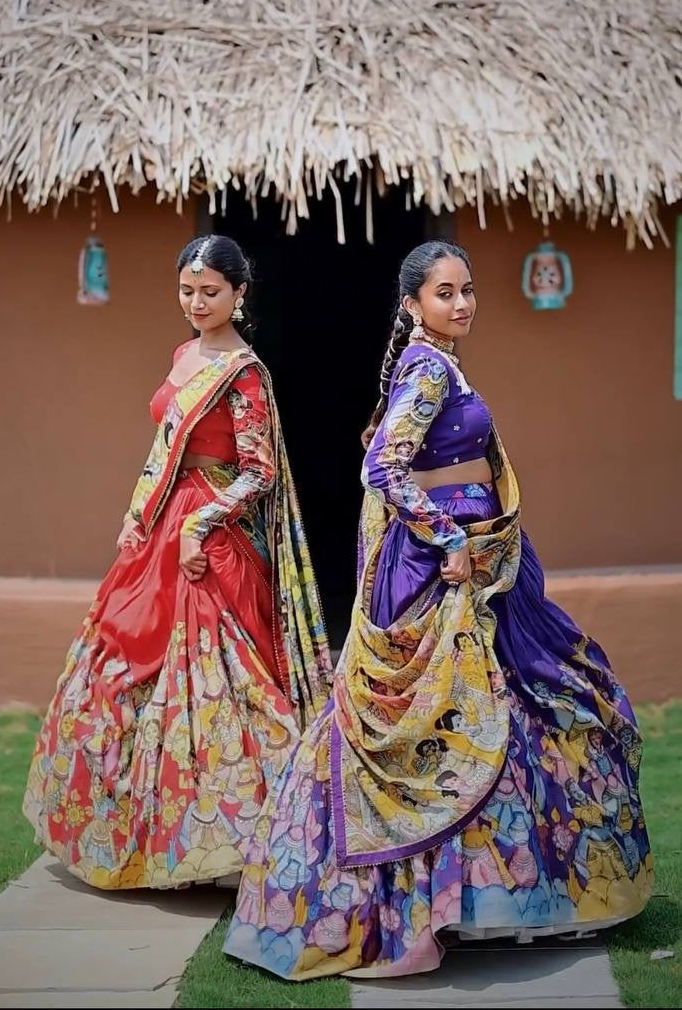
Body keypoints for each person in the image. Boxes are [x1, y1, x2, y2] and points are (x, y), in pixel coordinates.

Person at [223, 239, 652, 979]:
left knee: (502, 713)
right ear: (412, 304)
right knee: (446, 732)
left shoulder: (436, 362)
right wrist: (450, 537)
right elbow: (383, 465)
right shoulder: (427, 366)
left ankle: (496, 899)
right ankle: (419, 919)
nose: (462, 303)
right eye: (444, 292)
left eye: (467, 289)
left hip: (480, 561)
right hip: (444, 572)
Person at [24, 234, 332, 890]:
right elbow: (162, 444)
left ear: (239, 293)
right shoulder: (183, 355)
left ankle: (248, 836)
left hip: (213, 537)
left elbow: (259, 471)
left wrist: (199, 521)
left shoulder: (243, 372)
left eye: (210, 292)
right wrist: (140, 515)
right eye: (187, 291)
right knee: (118, 670)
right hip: (163, 528)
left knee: (217, 687)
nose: (196, 302)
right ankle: (136, 837)